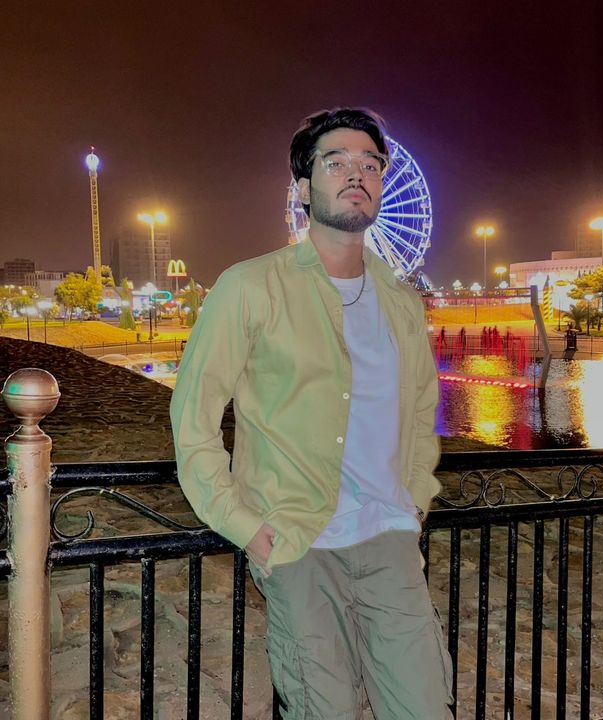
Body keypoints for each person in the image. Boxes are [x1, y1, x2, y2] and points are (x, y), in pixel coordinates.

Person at [170, 107, 453, 719]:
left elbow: (421, 412)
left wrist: (414, 502)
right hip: (298, 543)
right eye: (336, 162)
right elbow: (193, 414)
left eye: (370, 164)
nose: (357, 174)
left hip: (389, 539)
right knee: (324, 709)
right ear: (303, 188)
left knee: (426, 705)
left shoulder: (402, 302)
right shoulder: (249, 287)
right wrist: (243, 524)